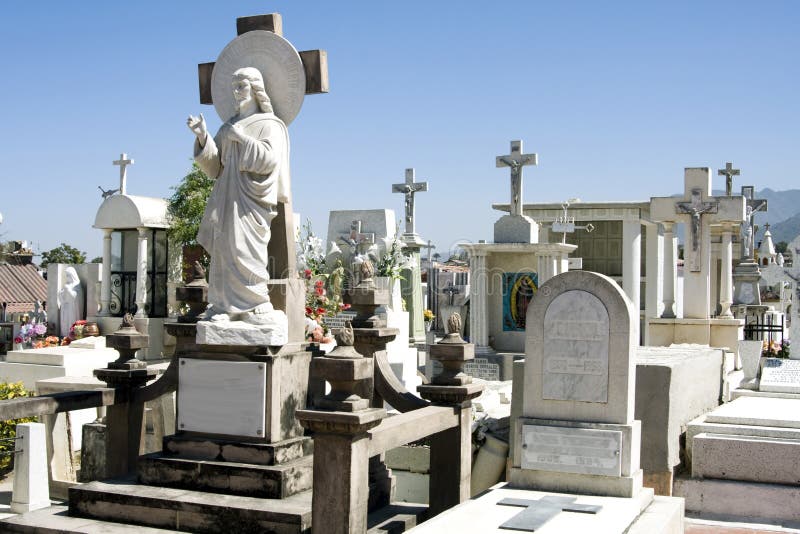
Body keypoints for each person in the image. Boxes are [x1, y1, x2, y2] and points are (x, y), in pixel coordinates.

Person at [187, 67, 290, 324]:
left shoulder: (270, 124)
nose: (236, 91)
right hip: (226, 197)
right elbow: (214, 167)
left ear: (256, 88)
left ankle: (256, 304)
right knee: (224, 249)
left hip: (251, 202)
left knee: (246, 250)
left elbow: (269, 161)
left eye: (241, 85)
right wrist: (203, 137)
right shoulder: (228, 126)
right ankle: (223, 306)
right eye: (234, 86)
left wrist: (242, 139)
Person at [58, 267, 84, 337]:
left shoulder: (77, 284)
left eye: (68, 275)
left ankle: (71, 336)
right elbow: (61, 297)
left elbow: (76, 297)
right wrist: (61, 293)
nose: (67, 277)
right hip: (65, 307)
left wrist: (68, 290)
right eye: (66, 275)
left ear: (72, 275)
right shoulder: (67, 284)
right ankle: (64, 336)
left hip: (72, 308)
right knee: (65, 323)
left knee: (71, 322)